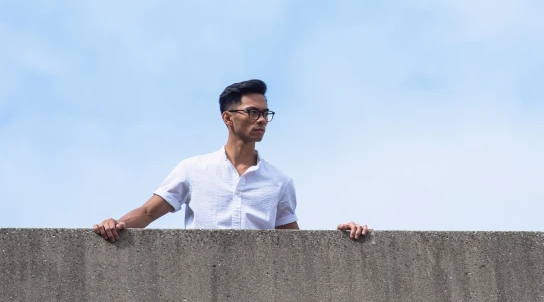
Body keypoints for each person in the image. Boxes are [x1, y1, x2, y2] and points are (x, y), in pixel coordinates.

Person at [94, 79, 369, 242]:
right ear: (228, 117)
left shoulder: (280, 182)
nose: (261, 120)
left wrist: (340, 238)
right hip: (202, 281)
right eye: (252, 112)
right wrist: (114, 225)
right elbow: (148, 213)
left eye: (265, 113)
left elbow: (293, 244)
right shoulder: (193, 169)